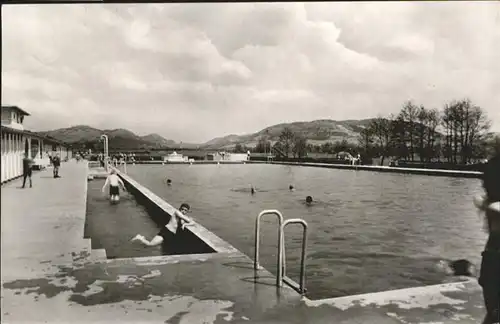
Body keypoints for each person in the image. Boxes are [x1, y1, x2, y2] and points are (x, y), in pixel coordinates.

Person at [473, 153, 500, 324]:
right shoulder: (492, 206)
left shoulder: (491, 205)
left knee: (493, 312)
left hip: (492, 260)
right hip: (493, 259)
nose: (482, 183)